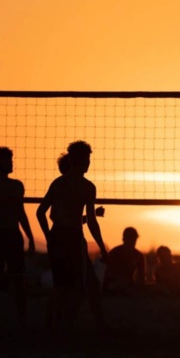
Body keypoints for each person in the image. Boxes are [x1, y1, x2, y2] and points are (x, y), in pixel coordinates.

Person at [36, 141, 109, 333]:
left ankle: (53, 328)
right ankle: (62, 329)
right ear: (83, 160)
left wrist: (49, 236)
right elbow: (92, 222)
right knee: (77, 289)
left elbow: (40, 213)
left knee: (62, 287)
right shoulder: (87, 187)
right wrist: (102, 247)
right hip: (73, 238)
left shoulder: (58, 183)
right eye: (87, 159)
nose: (88, 163)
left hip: (58, 236)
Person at [0, 147, 36, 328]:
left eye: (11, 159)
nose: (10, 163)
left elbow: (21, 213)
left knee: (18, 279)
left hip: (12, 235)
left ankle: (22, 321)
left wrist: (30, 237)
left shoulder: (16, 186)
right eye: (6, 160)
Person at [103, 227, 146, 294]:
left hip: (130, 285)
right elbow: (108, 273)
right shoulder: (115, 253)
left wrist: (138, 283)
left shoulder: (138, 256)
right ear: (124, 239)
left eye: (133, 239)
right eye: (130, 239)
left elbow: (142, 276)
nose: (132, 242)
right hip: (114, 284)